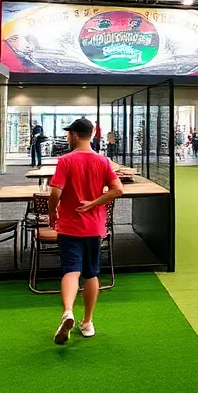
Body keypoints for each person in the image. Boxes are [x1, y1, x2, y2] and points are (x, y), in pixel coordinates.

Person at [48, 118, 124, 345]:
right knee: (91, 274)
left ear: (73, 135)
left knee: (71, 271)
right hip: (94, 227)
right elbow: (118, 189)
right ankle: (87, 322)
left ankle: (68, 312)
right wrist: (94, 203)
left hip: (69, 226)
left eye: (68, 134)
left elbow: (54, 192)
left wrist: (52, 213)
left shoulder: (65, 160)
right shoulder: (103, 161)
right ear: (92, 134)